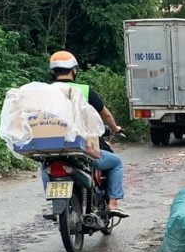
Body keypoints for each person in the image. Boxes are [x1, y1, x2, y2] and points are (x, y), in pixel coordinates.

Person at [48, 50, 127, 217]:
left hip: (52, 148)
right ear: (73, 70)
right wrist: (114, 128)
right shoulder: (85, 90)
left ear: (53, 72)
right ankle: (112, 203)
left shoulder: (45, 92)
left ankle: (54, 203)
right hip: (81, 148)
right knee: (115, 162)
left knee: (45, 167)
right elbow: (105, 114)